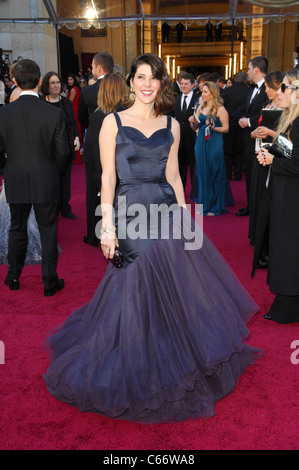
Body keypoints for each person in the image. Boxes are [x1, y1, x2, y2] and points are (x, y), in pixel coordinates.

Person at [43, 53, 261, 423]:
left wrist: (187, 223)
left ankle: (170, 355)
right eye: (140, 77)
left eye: (153, 78)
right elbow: (107, 179)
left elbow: (175, 177)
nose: (146, 84)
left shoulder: (172, 125)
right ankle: (135, 359)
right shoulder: (112, 122)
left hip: (165, 213)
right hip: (129, 215)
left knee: (173, 288)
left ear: (162, 83)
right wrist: (106, 227)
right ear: (130, 81)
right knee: (133, 287)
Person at [0, 59, 69, 296]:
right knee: (48, 230)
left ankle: (13, 278)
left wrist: (8, 169)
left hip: (15, 177)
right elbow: (63, 152)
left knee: (16, 229)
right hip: (46, 179)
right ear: (40, 81)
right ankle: (49, 283)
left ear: (16, 82)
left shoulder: (4, 113)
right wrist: (53, 171)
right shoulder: (53, 113)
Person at [256, 70, 299, 324]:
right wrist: (271, 151)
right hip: (285, 194)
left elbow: (296, 162)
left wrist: (273, 160)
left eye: (284, 88)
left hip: (292, 198)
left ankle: (288, 306)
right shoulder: (291, 119)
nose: (279, 92)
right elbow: (290, 152)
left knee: (288, 249)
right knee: (285, 248)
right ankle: (286, 302)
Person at [78, 52, 114, 247]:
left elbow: (83, 120)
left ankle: (94, 235)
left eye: (92, 66)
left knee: (93, 190)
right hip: (118, 146)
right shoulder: (122, 90)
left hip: (94, 146)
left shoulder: (88, 92)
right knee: (116, 187)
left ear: (99, 68)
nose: (91, 70)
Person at [249, 71, 283, 269]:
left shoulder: (288, 109)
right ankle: (258, 240)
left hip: (276, 159)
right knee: (259, 197)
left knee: (269, 201)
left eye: (271, 86)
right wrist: (254, 133)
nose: (267, 90)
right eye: (267, 86)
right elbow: (258, 130)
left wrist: (269, 132)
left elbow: (288, 138)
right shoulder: (268, 105)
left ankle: (267, 249)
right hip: (261, 155)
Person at [83, 72, 130, 206]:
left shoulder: (97, 116)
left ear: (103, 91)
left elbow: (99, 154)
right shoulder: (131, 113)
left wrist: (100, 184)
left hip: (108, 176)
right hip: (129, 175)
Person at [41, 72, 80, 220]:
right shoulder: (41, 103)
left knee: (65, 180)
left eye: (58, 82)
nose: (56, 85)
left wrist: (76, 137)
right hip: (48, 150)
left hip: (65, 147)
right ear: (46, 85)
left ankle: (65, 208)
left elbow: (73, 122)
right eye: (52, 83)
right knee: (50, 181)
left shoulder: (66, 102)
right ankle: (52, 208)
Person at [190, 81, 230, 215]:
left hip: (215, 142)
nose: (203, 94)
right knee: (202, 173)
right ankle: (204, 204)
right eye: (202, 91)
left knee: (214, 173)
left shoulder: (220, 109)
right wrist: (193, 121)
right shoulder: (201, 107)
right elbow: (195, 127)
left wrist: (214, 127)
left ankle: (214, 206)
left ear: (213, 93)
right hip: (200, 143)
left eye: (205, 92)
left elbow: (226, 128)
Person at [237, 56, 268, 217]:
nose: (247, 72)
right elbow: (246, 109)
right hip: (248, 139)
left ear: (256, 69)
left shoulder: (268, 90)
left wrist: (248, 121)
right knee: (249, 174)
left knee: (258, 176)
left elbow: (268, 115)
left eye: (249, 68)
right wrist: (243, 119)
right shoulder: (251, 89)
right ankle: (250, 205)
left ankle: (257, 207)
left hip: (262, 140)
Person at [172, 73, 198, 191]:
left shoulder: (198, 99)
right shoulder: (176, 99)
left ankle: (195, 192)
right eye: (181, 84)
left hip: (192, 138)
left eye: (186, 84)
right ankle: (180, 191)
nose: (183, 86)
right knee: (180, 167)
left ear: (192, 85)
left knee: (194, 166)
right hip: (179, 139)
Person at [223, 72, 250, 180]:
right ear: (244, 80)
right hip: (242, 125)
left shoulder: (227, 91)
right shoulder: (248, 91)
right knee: (240, 150)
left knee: (227, 150)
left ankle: (228, 174)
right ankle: (238, 174)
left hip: (229, 123)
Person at [66, 73, 82, 164]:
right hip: (75, 111)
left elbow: (69, 102)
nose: (69, 81)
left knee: (75, 132)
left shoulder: (73, 90)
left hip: (73, 112)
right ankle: (77, 156)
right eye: (68, 80)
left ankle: (76, 157)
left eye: (71, 79)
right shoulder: (76, 89)